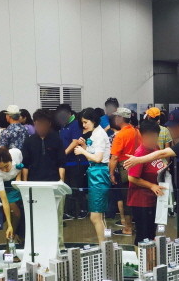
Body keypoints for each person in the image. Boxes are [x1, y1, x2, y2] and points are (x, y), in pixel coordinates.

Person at [123, 108, 179, 261]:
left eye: (175, 127)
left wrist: (138, 160)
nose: (172, 130)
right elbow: (133, 177)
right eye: (170, 127)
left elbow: (164, 153)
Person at [74, 108, 112, 243]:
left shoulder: (99, 134)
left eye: (86, 122)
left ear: (94, 121)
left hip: (99, 173)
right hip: (96, 173)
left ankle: (104, 246)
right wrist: (85, 147)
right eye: (82, 122)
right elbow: (94, 155)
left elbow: (98, 158)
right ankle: (105, 245)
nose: (84, 125)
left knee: (95, 216)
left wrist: (82, 151)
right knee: (98, 216)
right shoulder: (96, 133)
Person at [125, 119, 165, 245]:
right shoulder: (140, 153)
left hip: (153, 199)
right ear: (142, 136)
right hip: (141, 201)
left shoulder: (155, 148)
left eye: (154, 137)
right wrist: (151, 185)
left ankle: (150, 257)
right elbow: (132, 178)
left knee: (151, 234)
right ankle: (140, 256)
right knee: (143, 236)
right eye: (149, 137)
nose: (152, 140)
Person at [108, 107, 139, 236]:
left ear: (120, 118)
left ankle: (127, 228)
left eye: (117, 116)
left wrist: (111, 173)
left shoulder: (120, 135)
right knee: (135, 198)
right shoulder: (136, 132)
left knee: (126, 199)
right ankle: (136, 225)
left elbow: (114, 157)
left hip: (124, 169)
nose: (115, 119)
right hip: (137, 168)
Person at [55, 103, 86, 220]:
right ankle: (70, 211)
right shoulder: (63, 125)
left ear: (69, 114)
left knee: (76, 187)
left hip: (76, 162)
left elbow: (75, 141)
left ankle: (81, 210)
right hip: (66, 163)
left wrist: (63, 154)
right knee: (67, 188)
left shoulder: (75, 124)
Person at [21, 109, 66, 182]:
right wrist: (25, 182)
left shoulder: (57, 140)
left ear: (49, 124)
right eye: (38, 125)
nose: (41, 128)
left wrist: (61, 181)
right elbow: (25, 163)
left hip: (53, 180)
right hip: (33, 180)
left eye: (44, 125)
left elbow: (61, 163)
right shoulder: (29, 141)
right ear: (34, 123)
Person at [0, 147, 23, 242]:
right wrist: (9, 225)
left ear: (11, 160)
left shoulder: (16, 153)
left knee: (23, 211)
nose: (4, 170)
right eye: (1, 168)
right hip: (7, 187)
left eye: (6, 166)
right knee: (16, 213)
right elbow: (4, 201)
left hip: (18, 182)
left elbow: (21, 166)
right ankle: (10, 239)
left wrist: (18, 177)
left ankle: (20, 237)